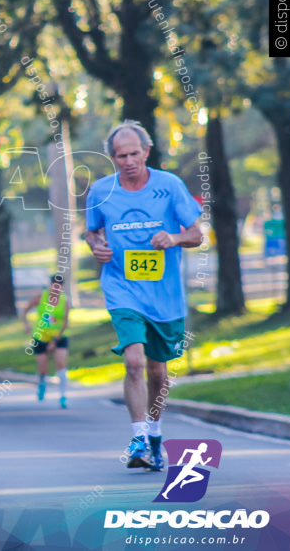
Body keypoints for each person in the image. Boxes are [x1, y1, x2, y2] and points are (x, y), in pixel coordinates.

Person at [84, 120, 201, 471]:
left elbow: (196, 233)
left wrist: (174, 238)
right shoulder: (101, 191)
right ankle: (137, 439)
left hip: (163, 294)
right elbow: (91, 232)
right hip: (122, 289)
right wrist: (97, 246)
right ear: (113, 158)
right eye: (122, 155)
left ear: (147, 152)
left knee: (156, 370)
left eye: (135, 153)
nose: (129, 160)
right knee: (134, 361)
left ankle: (154, 434)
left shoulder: (170, 186)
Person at [22, 273, 71, 408]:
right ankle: (42, 382)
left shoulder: (64, 301)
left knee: (61, 363)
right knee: (42, 366)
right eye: (54, 285)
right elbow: (25, 310)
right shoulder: (40, 297)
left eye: (59, 286)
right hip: (41, 336)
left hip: (59, 336)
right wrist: (26, 324)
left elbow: (66, 322)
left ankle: (63, 395)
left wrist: (55, 341)